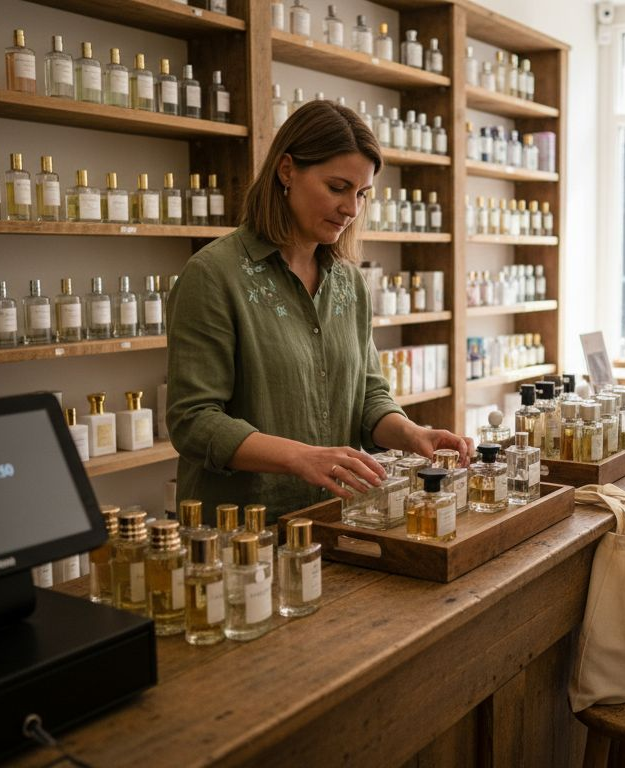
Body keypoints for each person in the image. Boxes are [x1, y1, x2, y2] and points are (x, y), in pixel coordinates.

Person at [166, 101, 471, 521]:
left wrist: (412, 434)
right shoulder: (214, 275)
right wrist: (300, 457)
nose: (352, 208)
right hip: (243, 530)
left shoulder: (349, 282)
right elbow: (193, 421)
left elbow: (368, 396)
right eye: (337, 187)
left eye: (361, 194)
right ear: (286, 170)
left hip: (335, 515)